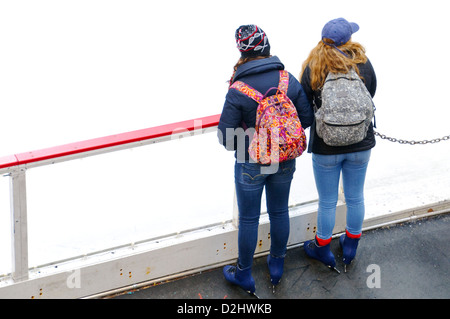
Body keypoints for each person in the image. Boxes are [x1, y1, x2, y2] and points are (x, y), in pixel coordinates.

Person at [217, 24, 313, 294]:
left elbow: (226, 138)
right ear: (267, 46)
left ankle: (244, 274)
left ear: (242, 52)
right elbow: (305, 119)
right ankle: (277, 266)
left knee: (249, 219)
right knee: (279, 211)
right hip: (284, 157)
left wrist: (254, 141)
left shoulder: (239, 89)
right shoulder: (287, 80)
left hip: (251, 162)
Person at [299, 18, 377, 272]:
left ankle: (322, 247)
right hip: (360, 143)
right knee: (355, 197)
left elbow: (304, 106)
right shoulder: (362, 63)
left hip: (326, 147)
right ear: (348, 41)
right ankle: (351, 244)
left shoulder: (314, 66)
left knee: (328, 201)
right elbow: (371, 93)